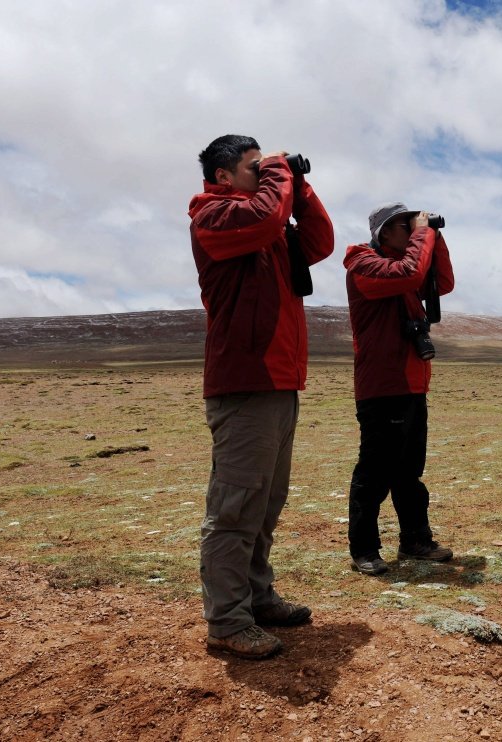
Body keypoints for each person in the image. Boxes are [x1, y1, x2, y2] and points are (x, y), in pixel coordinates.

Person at [189, 134, 334, 659]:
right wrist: (279, 174)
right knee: (235, 508)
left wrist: (300, 185)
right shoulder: (213, 216)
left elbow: (319, 241)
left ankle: (256, 596)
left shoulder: (266, 227)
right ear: (224, 175)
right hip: (245, 383)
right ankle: (227, 621)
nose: (268, 173)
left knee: (265, 502)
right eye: (256, 167)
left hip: (278, 383)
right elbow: (268, 217)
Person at [343, 202, 455, 575]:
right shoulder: (364, 265)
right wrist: (423, 235)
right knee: (374, 473)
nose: (412, 231)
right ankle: (364, 549)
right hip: (383, 386)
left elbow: (442, 282)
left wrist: (433, 237)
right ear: (385, 232)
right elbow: (410, 273)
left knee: (409, 472)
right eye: (406, 226)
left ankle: (415, 541)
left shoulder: (402, 264)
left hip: (411, 383)